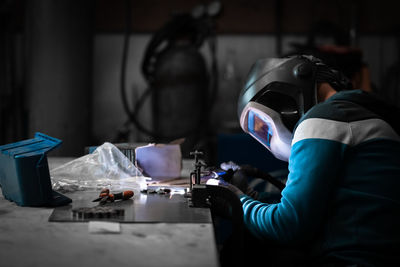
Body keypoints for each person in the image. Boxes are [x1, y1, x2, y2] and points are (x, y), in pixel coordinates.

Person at [225, 55, 400, 266]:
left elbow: (288, 226)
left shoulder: (325, 117)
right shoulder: (358, 113)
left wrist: (234, 200)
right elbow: (316, 210)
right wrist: (251, 195)